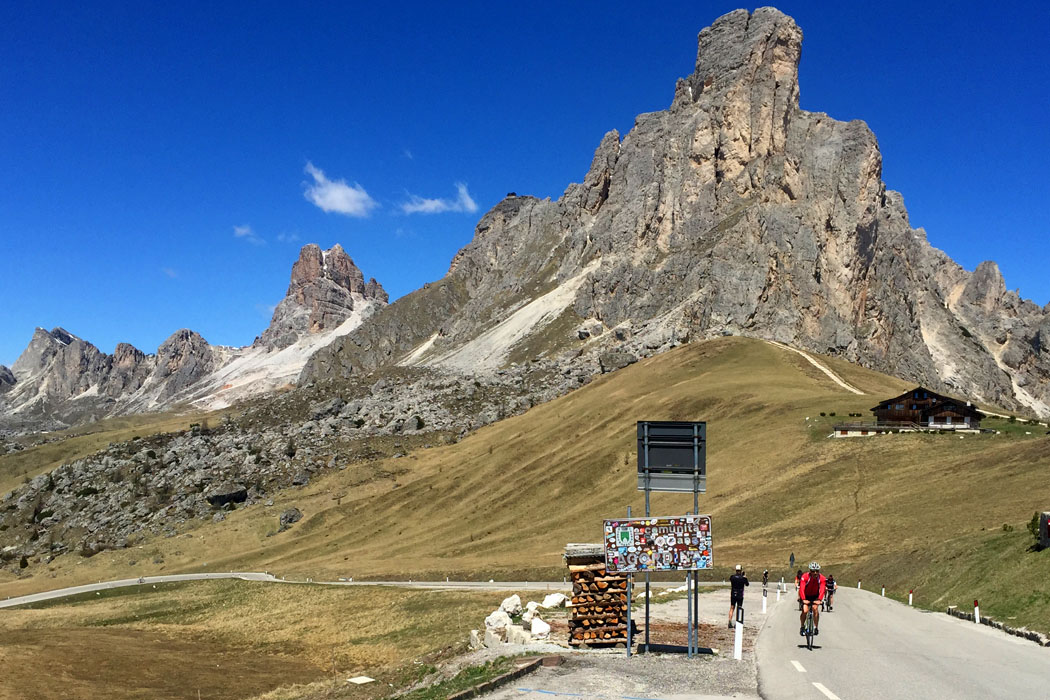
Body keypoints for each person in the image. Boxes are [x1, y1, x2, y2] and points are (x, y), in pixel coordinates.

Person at [798, 562, 827, 636]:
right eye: (813, 571)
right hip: (806, 596)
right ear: (810, 571)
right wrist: (804, 599)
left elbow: (822, 589)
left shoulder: (822, 578)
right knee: (805, 610)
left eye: (817, 571)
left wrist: (820, 600)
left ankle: (815, 627)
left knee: (815, 609)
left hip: (815, 596)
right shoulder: (805, 577)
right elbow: (801, 588)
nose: (815, 573)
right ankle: (802, 627)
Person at [728, 564, 749, 628]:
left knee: (732, 607)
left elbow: (731, 579)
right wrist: (744, 576)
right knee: (739, 608)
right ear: (741, 570)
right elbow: (747, 584)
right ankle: (737, 622)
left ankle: (729, 621)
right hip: (740, 594)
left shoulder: (732, 577)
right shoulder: (743, 578)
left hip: (733, 593)